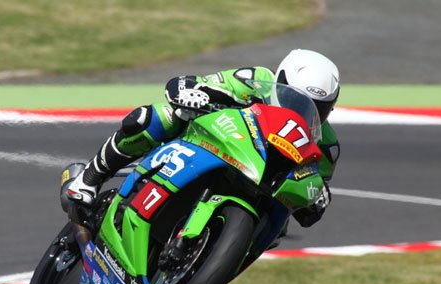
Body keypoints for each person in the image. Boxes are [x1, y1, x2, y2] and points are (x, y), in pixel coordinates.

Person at [67, 49, 340, 228]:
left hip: (258, 196)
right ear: (281, 81)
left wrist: (318, 198)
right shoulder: (253, 80)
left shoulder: (326, 146)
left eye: (319, 106)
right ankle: (89, 178)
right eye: (296, 98)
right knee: (159, 117)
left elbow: (311, 205)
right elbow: (184, 84)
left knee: (279, 223)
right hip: (213, 145)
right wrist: (194, 94)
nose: (307, 111)